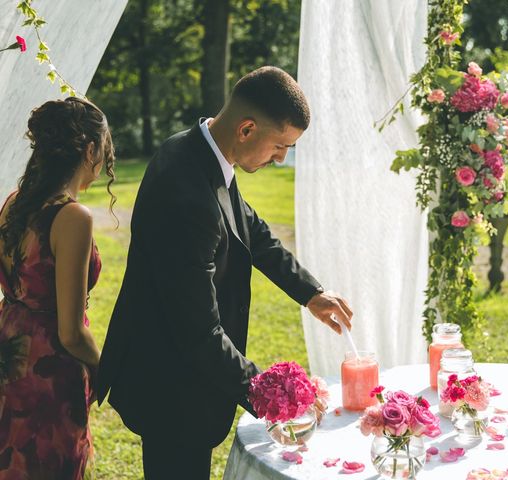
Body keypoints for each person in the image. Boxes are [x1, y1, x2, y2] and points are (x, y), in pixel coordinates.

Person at [97, 66, 353, 479]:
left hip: (186, 374)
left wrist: (311, 292)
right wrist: (273, 395)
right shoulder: (186, 194)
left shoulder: (203, 152)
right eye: (280, 145)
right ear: (247, 129)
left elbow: (249, 228)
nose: (281, 158)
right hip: (170, 386)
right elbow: (198, 330)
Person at [0, 97, 115, 479]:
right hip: (48, 368)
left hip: (8, 348)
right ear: (89, 150)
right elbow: (71, 331)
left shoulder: (13, 204)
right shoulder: (72, 217)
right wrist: (104, 368)